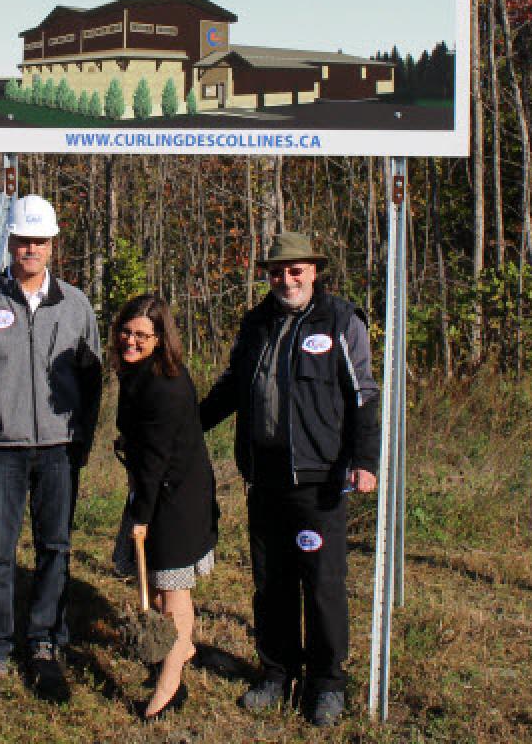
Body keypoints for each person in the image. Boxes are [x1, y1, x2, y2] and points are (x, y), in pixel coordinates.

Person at [199, 232, 380, 727]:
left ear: (314, 271)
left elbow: (363, 395)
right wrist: (186, 428)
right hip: (265, 478)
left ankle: (327, 683)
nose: (287, 279)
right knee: (271, 583)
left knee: (322, 585)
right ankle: (276, 673)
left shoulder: (341, 320)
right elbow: (232, 386)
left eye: (296, 270)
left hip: (319, 482)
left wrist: (364, 462)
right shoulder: (256, 323)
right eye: (278, 271)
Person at [0, 195, 102, 703]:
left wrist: (81, 438)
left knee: (55, 548)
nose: (30, 248)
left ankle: (45, 641)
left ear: (52, 246)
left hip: (59, 450)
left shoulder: (76, 304)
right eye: (22, 239)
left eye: (39, 241)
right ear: (11, 243)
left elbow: (93, 378)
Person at [109, 294, 218, 720]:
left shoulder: (165, 385)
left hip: (178, 499)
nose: (131, 341)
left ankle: (169, 687)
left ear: (160, 339)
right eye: (127, 331)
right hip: (155, 487)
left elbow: (156, 461)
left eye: (142, 335)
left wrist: (140, 518)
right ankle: (180, 646)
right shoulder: (135, 374)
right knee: (155, 583)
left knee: (173, 591)